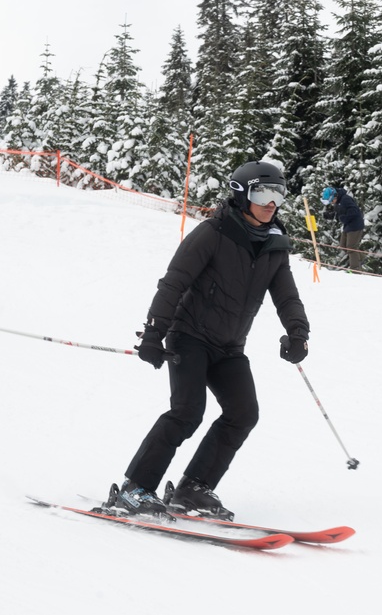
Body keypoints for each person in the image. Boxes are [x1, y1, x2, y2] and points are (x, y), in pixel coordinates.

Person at [111, 160, 311, 521]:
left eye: (278, 194)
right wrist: (156, 332)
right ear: (240, 195)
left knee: (243, 413)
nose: (272, 203)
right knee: (187, 412)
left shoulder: (275, 246)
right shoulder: (212, 233)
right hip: (189, 337)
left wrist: (298, 332)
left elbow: (287, 297)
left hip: (230, 346)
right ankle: (135, 488)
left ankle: (193, 488)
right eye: (263, 192)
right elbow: (174, 282)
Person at [320, 186, 365, 271]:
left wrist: (344, 218)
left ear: (335, 196)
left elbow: (355, 211)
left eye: (332, 200)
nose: (332, 203)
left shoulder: (345, 199)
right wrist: (329, 215)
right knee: (343, 245)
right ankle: (362, 258)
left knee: (351, 247)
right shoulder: (338, 201)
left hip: (355, 225)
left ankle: (355, 269)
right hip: (348, 225)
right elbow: (339, 214)